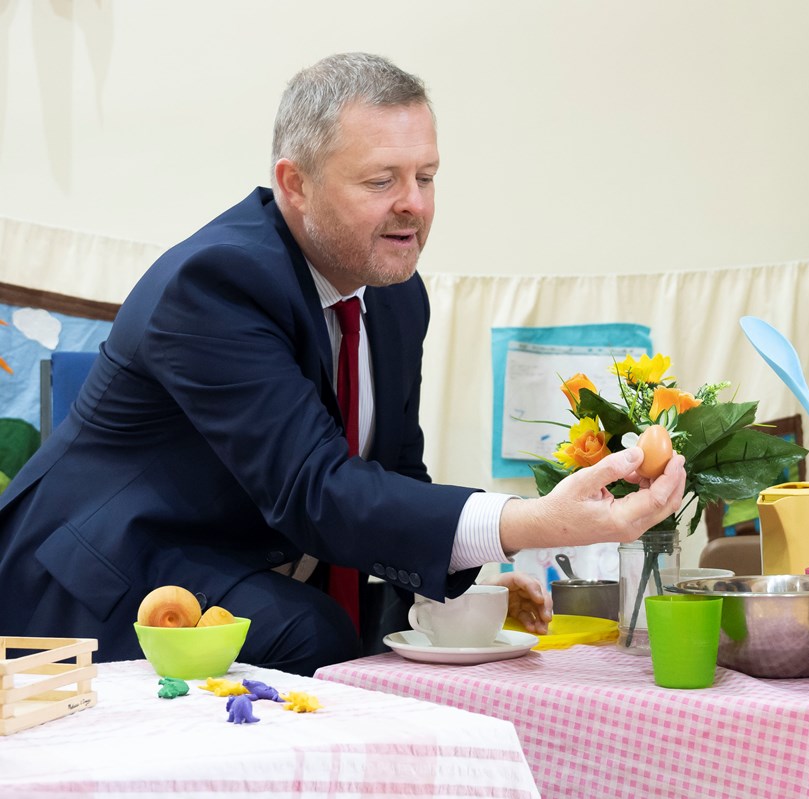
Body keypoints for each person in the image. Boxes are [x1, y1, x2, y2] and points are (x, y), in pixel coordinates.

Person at [0, 52, 685, 676]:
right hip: (91, 574)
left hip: (224, 566)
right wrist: (531, 521)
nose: (413, 203)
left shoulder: (396, 298)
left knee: (398, 637)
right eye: (381, 179)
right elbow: (315, 489)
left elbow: (390, 476)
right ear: (294, 184)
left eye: (426, 176)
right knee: (314, 634)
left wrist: (457, 583)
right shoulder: (214, 283)